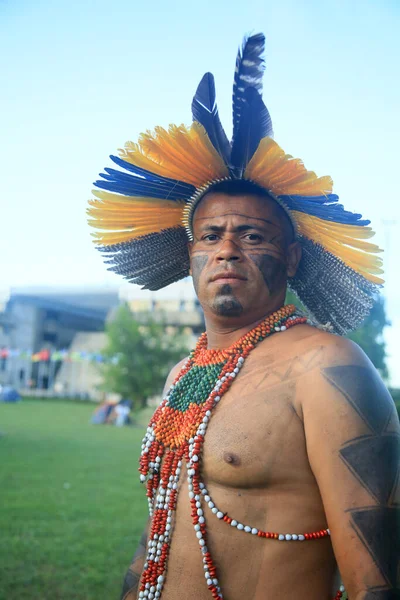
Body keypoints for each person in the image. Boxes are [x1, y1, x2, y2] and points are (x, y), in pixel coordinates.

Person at [88, 34, 399, 600]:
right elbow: (160, 525)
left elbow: (380, 582)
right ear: (190, 258)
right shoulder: (183, 374)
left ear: (294, 257)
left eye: (252, 235)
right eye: (211, 235)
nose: (227, 249)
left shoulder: (327, 367)